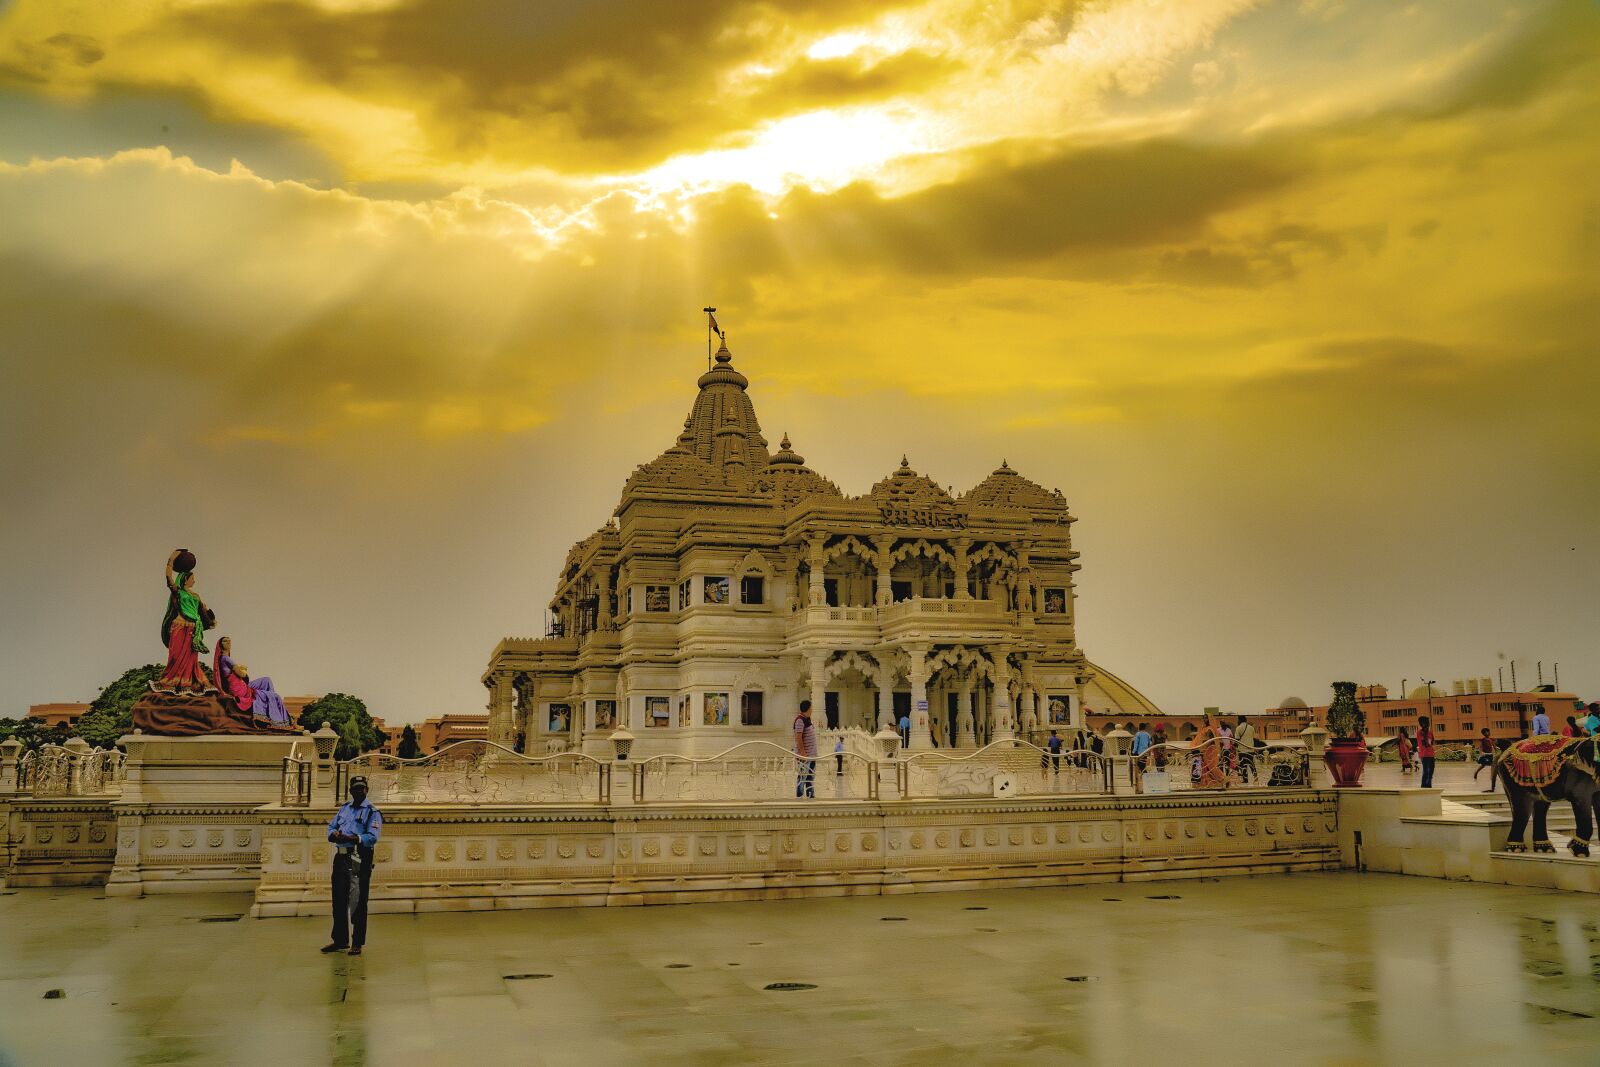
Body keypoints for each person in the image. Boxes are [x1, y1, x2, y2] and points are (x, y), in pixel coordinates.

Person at [322, 776, 382, 957]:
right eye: (355, 788)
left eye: (362, 788)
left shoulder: (372, 812)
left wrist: (352, 838)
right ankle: (340, 940)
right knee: (338, 900)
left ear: (367, 790)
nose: (358, 791)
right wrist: (335, 834)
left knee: (358, 901)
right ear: (350, 790)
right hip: (340, 857)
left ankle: (357, 942)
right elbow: (331, 828)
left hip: (358, 857)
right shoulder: (344, 808)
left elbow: (372, 837)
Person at [158, 549, 214, 693]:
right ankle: (172, 682)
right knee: (176, 657)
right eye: (192, 578)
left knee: (191, 659)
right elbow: (168, 577)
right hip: (179, 627)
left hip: (192, 630)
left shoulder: (195, 595)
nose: (194, 580)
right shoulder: (177, 591)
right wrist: (172, 558)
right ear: (185, 579)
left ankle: (189, 683)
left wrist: (210, 619)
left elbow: (202, 611)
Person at [1193, 713, 1226, 789]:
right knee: (1205, 767)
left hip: (1209, 751)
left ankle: (1223, 779)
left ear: (1209, 719)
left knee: (1212, 766)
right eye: (1204, 718)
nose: (1204, 720)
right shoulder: (1204, 728)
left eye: (1206, 718)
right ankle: (1208, 783)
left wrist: (1204, 749)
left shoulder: (1209, 729)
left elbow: (1210, 741)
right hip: (1204, 750)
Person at [793, 700, 818, 799]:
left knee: (810, 776)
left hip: (811, 755)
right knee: (802, 776)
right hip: (805, 756)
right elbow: (798, 737)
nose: (812, 710)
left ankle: (810, 795)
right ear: (807, 708)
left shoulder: (807, 719)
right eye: (811, 708)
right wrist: (803, 753)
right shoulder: (800, 720)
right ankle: (799, 796)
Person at [1472, 727, 1496, 791]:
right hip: (1485, 754)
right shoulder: (1483, 740)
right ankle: (1475, 773)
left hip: (1490, 754)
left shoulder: (1491, 739)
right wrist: (1481, 752)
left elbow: (1494, 746)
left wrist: (1496, 751)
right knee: (1483, 765)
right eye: (1486, 732)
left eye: (1488, 732)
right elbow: (1480, 746)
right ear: (1484, 733)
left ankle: (1492, 776)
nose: (1488, 733)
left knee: (1493, 765)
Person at [1416, 716, 1437, 789]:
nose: (1428, 724)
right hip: (1424, 755)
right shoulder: (1419, 733)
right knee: (1426, 772)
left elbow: (1432, 742)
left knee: (1431, 772)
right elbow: (1424, 743)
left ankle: (1428, 786)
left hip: (1431, 754)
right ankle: (1424, 786)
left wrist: (1433, 748)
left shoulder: (1430, 733)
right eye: (1426, 722)